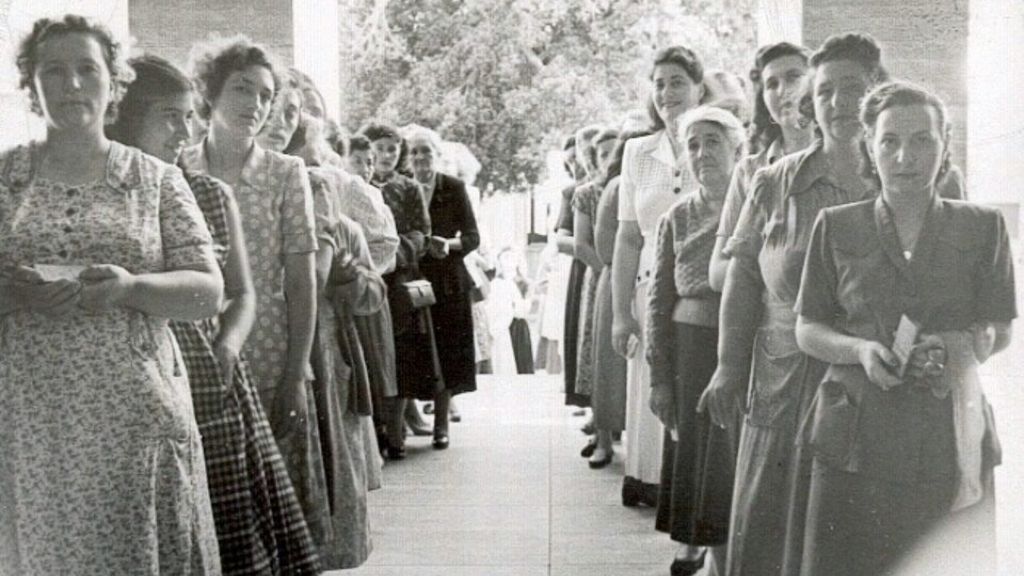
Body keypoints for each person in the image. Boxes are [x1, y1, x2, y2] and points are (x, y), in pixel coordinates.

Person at [0, 15, 223, 574]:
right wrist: (16, 295)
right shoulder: (6, 178)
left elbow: (207, 291)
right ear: (31, 84)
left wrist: (131, 288)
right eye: (54, 71)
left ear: (114, 83)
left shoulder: (155, 180)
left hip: (135, 416)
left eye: (87, 69)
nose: (72, 85)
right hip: (31, 419)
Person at [108, 54, 321, 576]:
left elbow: (243, 292)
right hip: (128, 380)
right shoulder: (108, 195)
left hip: (208, 379)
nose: (183, 131)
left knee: (227, 534)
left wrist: (228, 343)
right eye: (168, 117)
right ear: (127, 117)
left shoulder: (208, 192)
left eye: (187, 116)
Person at [794, 81, 1014, 576]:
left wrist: (965, 345)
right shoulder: (835, 225)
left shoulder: (983, 227)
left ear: (945, 145)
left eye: (922, 140)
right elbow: (808, 328)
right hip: (853, 436)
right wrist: (861, 351)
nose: (904, 156)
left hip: (947, 433)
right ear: (869, 148)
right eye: (889, 141)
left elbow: (1000, 330)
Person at [698, 33, 888, 576]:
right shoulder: (773, 182)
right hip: (782, 376)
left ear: (878, 92)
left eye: (854, 88)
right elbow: (742, 279)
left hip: (870, 380)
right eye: (825, 91)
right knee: (768, 521)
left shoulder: (902, 178)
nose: (839, 103)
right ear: (811, 102)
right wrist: (729, 367)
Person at [182, 35, 336, 558]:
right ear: (209, 93)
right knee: (214, 506)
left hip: (272, 358)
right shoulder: (178, 171)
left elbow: (301, 281)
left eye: (266, 95)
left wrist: (296, 373)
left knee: (278, 512)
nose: (256, 104)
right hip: (198, 359)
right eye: (242, 89)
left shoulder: (285, 173)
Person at [257, 74, 379, 567]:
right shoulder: (194, 169)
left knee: (308, 477)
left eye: (291, 113)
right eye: (272, 106)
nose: (278, 120)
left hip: (310, 345)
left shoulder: (312, 184)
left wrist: (347, 274)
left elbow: (326, 274)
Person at [648, 106, 745, 576]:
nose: (702, 153)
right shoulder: (677, 217)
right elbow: (658, 301)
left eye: (713, 142)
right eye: (693, 145)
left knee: (728, 452)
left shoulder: (754, 204)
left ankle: (723, 556)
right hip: (690, 347)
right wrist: (660, 377)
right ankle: (692, 542)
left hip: (742, 342)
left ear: (736, 149)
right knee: (692, 448)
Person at [611, 45, 703, 509]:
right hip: (649, 285)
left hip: (698, 288)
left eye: (678, 83)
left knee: (690, 385)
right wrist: (619, 314)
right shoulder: (637, 152)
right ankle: (648, 480)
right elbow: (628, 237)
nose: (667, 93)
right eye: (660, 83)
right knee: (651, 385)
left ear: (699, 88)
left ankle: (690, 490)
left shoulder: (713, 143)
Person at [359, 121, 439, 459]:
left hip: (403, 278)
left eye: (393, 148)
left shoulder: (408, 188)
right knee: (373, 352)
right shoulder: (358, 186)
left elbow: (423, 231)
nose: (387, 155)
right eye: (380, 148)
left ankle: (396, 431)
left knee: (405, 352)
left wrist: (398, 250)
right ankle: (376, 428)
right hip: (369, 275)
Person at [709, 42, 814, 291]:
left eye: (793, 78)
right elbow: (717, 273)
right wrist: (778, 265)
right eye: (771, 84)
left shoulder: (840, 159)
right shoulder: (750, 170)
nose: (782, 91)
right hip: (768, 318)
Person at [407, 127, 481, 448]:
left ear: (437, 155)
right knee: (418, 351)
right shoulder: (403, 189)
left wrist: (449, 244)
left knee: (448, 349)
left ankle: (441, 424)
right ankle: (411, 421)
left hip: (448, 280)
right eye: (415, 152)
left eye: (427, 151)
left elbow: (472, 237)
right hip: (413, 279)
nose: (421, 157)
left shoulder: (453, 188)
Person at [572, 126, 620, 468]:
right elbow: (580, 243)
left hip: (637, 278)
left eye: (614, 151)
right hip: (602, 276)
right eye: (602, 153)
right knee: (600, 357)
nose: (610, 159)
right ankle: (603, 438)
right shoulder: (587, 193)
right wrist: (608, 272)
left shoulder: (632, 185)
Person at [563, 125, 601, 411]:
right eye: (572, 160)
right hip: (586, 266)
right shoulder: (575, 192)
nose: (578, 164)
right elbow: (563, 238)